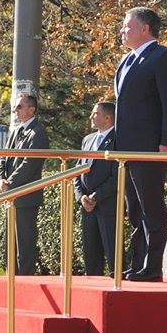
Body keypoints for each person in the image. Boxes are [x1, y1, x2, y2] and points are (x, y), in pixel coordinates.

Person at [114, 7, 167, 282]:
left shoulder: (162, 57)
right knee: (135, 209)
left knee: (151, 207)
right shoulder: (127, 60)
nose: (122, 31)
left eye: (127, 26)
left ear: (144, 29)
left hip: (150, 146)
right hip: (126, 148)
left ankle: (152, 267)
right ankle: (137, 262)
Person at [0, 94, 50, 276]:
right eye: (15, 107)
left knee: (25, 244)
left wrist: (10, 183)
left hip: (26, 197)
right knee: (10, 244)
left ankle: (24, 280)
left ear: (31, 109)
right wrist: (0, 180)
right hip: (10, 196)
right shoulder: (16, 131)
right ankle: (11, 278)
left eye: (19, 107)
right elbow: (3, 158)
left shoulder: (38, 132)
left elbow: (30, 163)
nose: (15, 110)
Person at [74, 101, 118, 276]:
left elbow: (117, 175)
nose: (91, 116)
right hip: (87, 206)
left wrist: (96, 196)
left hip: (107, 204)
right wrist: (81, 196)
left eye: (95, 113)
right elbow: (78, 170)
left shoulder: (118, 139)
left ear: (108, 117)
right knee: (90, 254)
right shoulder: (88, 139)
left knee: (112, 251)